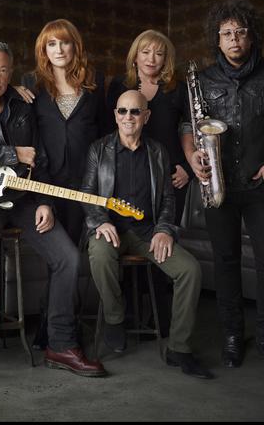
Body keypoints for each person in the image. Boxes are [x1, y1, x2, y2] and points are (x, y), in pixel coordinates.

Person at [0, 40, 106, 378]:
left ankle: (60, 344)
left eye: (3, 69)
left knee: (69, 257)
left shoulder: (22, 107)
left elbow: (41, 158)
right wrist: (11, 154)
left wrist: (45, 201)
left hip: (22, 199)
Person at [181, 0, 264, 376]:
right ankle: (233, 337)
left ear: (252, 36)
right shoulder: (201, 80)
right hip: (218, 185)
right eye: (226, 33)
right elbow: (189, 127)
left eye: (241, 32)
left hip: (259, 184)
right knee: (227, 263)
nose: (234, 39)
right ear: (217, 40)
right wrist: (192, 157)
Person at [81, 90, 213, 379]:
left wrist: (165, 229)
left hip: (147, 233)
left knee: (190, 270)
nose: (128, 117)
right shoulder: (98, 149)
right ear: (115, 115)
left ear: (146, 116)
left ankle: (179, 348)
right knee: (101, 256)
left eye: (135, 112)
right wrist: (100, 222)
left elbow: (167, 198)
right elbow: (88, 195)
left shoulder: (157, 151)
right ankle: (115, 318)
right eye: (122, 111)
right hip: (110, 229)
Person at [17, 18, 107, 350]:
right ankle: (57, 334)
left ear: (75, 47)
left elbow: (103, 138)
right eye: (51, 44)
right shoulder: (32, 84)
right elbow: (26, 135)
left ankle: (48, 329)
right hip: (45, 184)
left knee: (67, 258)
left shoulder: (95, 84)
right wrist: (14, 89)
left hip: (82, 186)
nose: (59, 49)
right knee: (61, 257)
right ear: (44, 49)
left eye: (65, 43)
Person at [106, 29, 193, 340]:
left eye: (158, 53)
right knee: (129, 238)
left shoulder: (177, 90)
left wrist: (189, 171)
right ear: (135, 56)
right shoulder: (120, 87)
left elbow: (190, 133)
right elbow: (109, 134)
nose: (151, 59)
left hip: (171, 179)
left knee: (163, 246)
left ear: (166, 58)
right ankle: (130, 316)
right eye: (145, 52)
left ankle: (160, 318)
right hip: (131, 178)